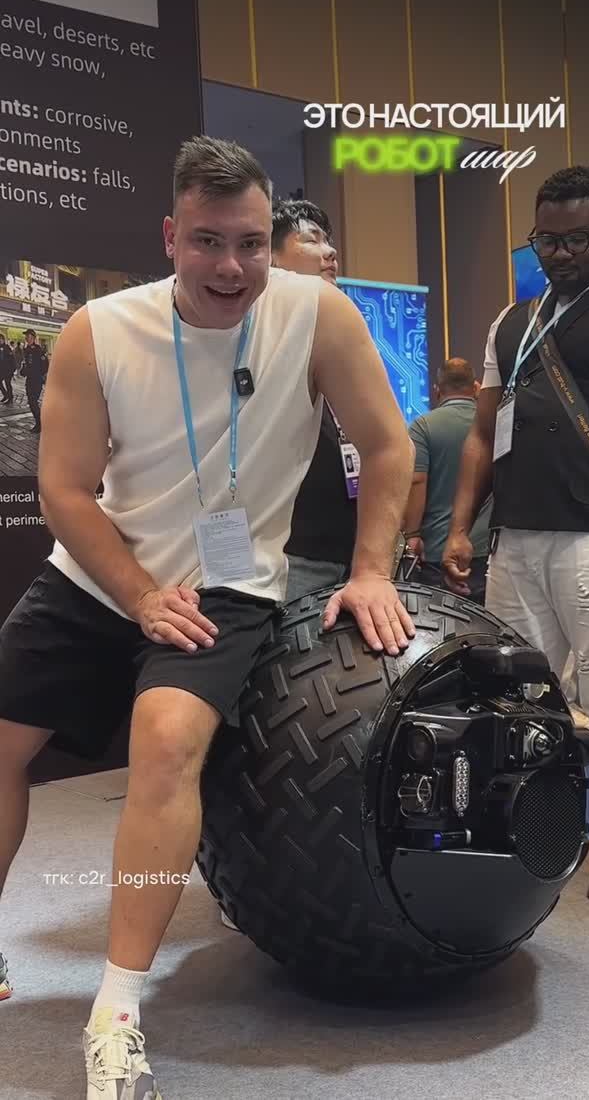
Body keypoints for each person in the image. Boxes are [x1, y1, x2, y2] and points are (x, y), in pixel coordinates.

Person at [0, 136, 416, 1098]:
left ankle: (115, 1011)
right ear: (170, 237)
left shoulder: (318, 314)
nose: (232, 267)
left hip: (228, 584)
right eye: (207, 242)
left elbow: (388, 446)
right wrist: (140, 595)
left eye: (251, 243)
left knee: (166, 742)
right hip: (102, 572)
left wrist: (370, 571)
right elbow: (64, 488)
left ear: (271, 238)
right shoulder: (99, 329)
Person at [443, 165, 589, 901]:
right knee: (516, 696)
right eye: (546, 240)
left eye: (577, 239)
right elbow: (481, 432)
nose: (560, 253)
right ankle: (525, 829)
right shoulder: (513, 321)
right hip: (515, 537)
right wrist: (459, 527)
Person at [269, 197, 358, 601]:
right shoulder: (256, 339)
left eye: (329, 240)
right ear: (270, 256)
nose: (330, 251)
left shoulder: (335, 332)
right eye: (311, 240)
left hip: (346, 558)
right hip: (288, 558)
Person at [404, 358, 491, 602]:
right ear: (476, 387)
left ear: (437, 390)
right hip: (488, 550)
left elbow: (417, 481)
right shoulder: (492, 424)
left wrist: (412, 534)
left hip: (438, 551)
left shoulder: (422, 426)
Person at [21, 328, 48, 433]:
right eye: (26, 337)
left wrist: (40, 375)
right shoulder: (27, 350)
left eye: (28, 336)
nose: (27, 338)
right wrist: (24, 371)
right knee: (31, 402)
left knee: (33, 402)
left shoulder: (38, 350)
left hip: (36, 380)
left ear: (33, 338)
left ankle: (40, 424)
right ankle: (39, 423)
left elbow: (45, 365)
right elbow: (27, 364)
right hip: (29, 380)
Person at [0, 334, 15, 404]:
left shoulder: (7, 348)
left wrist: (12, 370)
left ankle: (10, 398)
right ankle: (6, 395)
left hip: (8, 370)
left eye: (0, 339)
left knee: (8, 383)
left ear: (3, 340)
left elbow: (12, 359)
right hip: (2, 370)